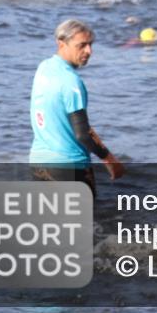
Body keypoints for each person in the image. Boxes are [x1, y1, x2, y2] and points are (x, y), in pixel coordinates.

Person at [30, 20, 125, 195]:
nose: (89, 51)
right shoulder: (72, 82)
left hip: (39, 163)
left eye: (90, 45)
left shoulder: (44, 68)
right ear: (61, 43)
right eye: (81, 45)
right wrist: (110, 160)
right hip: (69, 166)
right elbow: (82, 133)